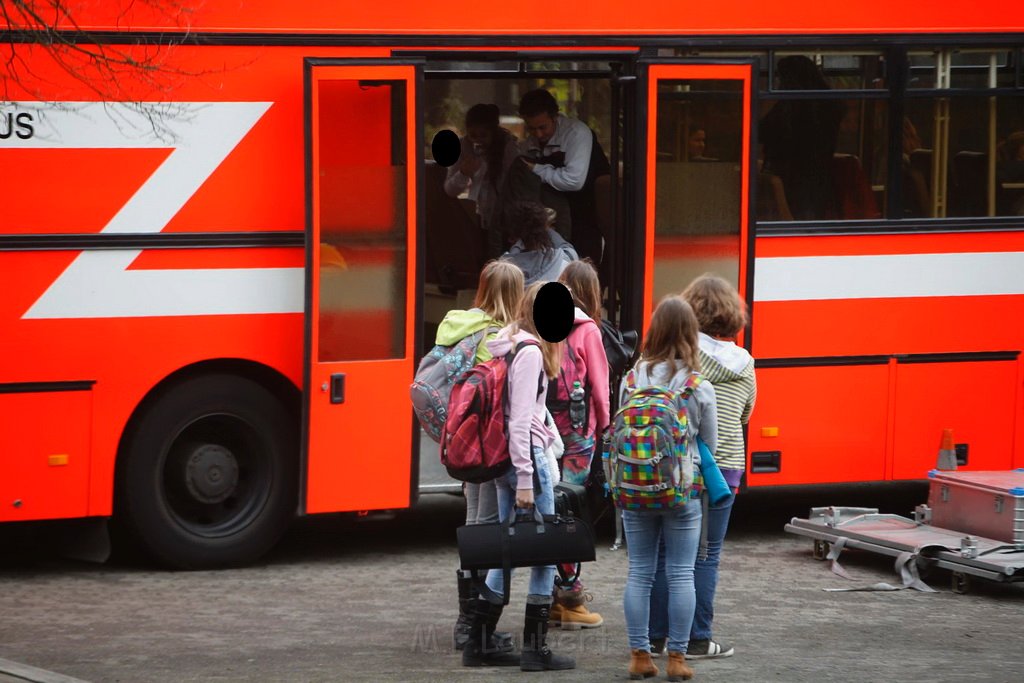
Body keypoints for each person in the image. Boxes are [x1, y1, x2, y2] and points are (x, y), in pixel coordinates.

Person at [463, 281, 576, 672]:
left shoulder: (508, 344)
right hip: (526, 463)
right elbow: (521, 420)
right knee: (543, 555)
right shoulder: (529, 352)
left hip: (505, 462)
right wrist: (527, 478)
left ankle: (478, 643)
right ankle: (535, 649)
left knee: (509, 551)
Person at [647, 275, 756, 661]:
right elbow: (746, 413)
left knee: (666, 555)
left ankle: (657, 636)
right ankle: (697, 639)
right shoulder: (746, 363)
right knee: (706, 556)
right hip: (724, 472)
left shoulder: (683, 358)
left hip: (681, 468)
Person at [621, 296, 717, 682]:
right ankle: (677, 659)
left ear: (654, 330)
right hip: (682, 488)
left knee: (639, 571)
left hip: (634, 487)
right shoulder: (698, 385)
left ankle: (640, 655)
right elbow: (708, 441)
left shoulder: (632, 379)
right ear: (691, 334)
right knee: (680, 573)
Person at [445, 260, 526, 653]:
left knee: (474, 523)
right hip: (490, 447)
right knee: (490, 529)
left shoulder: (459, 325)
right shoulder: (497, 337)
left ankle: (466, 621)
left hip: (465, 442)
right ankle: (473, 626)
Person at [545, 260, 610, 630]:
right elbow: (600, 389)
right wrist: (604, 428)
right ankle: (569, 594)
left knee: (547, 506)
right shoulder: (587, 330)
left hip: (542, 429)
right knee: (568, 510)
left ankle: (551, 591)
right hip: (576, 433)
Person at [504, 88, 611, 264]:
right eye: (532, 129)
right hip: (550, 220)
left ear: (555, 117)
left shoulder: (577, 134)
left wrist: (537, 169)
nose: (538, 134)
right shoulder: (529, 143)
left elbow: (573, 181)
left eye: (542, 127)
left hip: (584, 215)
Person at [759, 55, 844, 220]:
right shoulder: (830, 105)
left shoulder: (787, 107)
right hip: (820, 181)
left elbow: (760, 132)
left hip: (790, 180)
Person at [444, 103, 520, 259]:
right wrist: (464, 173)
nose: (478, 141)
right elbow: (449, 189)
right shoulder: (464, 146)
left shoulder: (508, 147)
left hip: (504, 217)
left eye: (483, 135)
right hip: (476, 216)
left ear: (494, 132)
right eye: (473, 135)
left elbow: (514, 185)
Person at [500, 200, 578, 285]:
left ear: (513, 236)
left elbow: (510, 256)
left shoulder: (503, 269)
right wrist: (545, 227)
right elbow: (568, 248)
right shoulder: (564, 259)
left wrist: (517, 246)